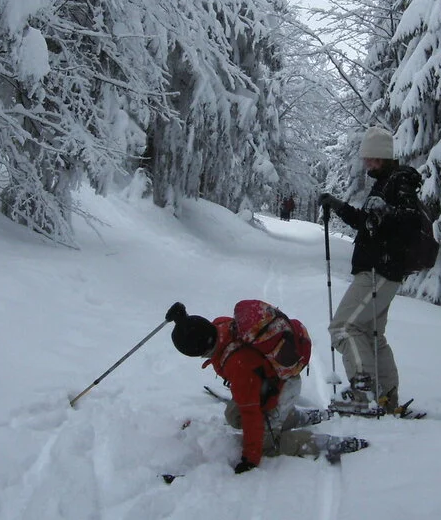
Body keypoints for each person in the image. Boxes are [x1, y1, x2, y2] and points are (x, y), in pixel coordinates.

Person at [165, 301, 367, 473]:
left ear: (201, 351)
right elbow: (197, 331)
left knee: (267, 445)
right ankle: (298, 417)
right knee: (233, 416)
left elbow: (251, 413)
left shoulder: (238, 365)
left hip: (284, 385)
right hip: (265, 381)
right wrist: (182, 319)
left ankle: (324, 442)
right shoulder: (220, 326)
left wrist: (250, 458)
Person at [318, 126, 424, 416]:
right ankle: (386, 397)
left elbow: (409, 220)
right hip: (382, 271)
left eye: (372, 159)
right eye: (366, 159)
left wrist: (388, 213)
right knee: (369, 334)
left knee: (343, 328)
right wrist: (338, 206)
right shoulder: (385, 184)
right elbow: (368, 224)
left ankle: (364, 392)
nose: (367, 164)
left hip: (379, 271)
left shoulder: (398, 183)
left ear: (384, 157)